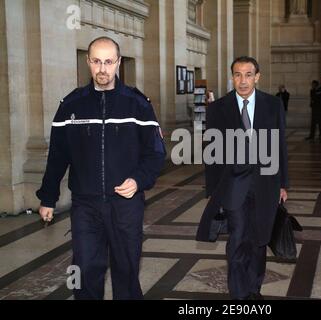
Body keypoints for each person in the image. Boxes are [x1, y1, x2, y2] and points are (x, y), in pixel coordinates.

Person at [36, 36, 166, 299]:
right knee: (85, 270)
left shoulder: (138, 104)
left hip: (126, 205)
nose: (102, 68)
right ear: (88, 62)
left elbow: (155, 153)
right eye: (96, 61)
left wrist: (138, 181)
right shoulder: (71, 105)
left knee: (126, 271)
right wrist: (48, 197)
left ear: (118, 63)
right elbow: (58, 156)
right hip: (86, 205)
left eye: (108, 61)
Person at [196, 56, 289, 300]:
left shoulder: (273, 104)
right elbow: (211, 151)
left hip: (266, 183)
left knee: (259, 239)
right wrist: (213, 191)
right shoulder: (218, 108)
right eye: (238, 74)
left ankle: (253, 289)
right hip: (233, 184)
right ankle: (238, 294)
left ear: (257, 77)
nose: (243, 80)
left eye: (248, 74)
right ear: (232, 77)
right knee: (237, 237)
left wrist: (283, 184)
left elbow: (280, 146)